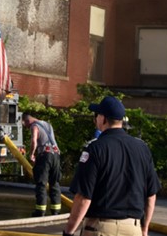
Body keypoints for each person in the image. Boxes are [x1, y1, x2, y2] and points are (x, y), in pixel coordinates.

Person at [64, 96, 160, 236]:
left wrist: (69, 231)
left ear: (103, 118)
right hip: (133, 228)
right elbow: (151, 195)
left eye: (96, 115)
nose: (95, 118)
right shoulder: (142, 148)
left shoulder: (95, 148)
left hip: (101, 227)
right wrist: (144, 229)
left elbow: (83, 198)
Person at [23, 112, 62, 216]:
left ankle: (40, 212)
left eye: (25, 125)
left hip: (45, 156)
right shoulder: (48, 124)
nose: (26, 127)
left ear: (27, 121)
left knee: (41, 184)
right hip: (56, 155)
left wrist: (31, 154)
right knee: (54, 183)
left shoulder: (34, 126)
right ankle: (56, 211)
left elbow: (34, 141)